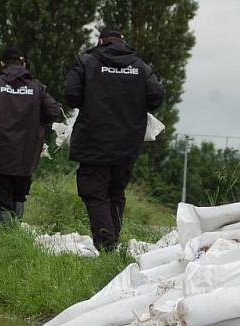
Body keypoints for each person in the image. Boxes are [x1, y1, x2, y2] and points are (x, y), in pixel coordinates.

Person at [64, 27, 165, 251]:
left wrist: (91, 99)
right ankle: (112, 243)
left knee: (94, 192)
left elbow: (71, 94)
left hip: (93, 140)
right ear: (122, 41)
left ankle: (107, 245)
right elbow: (156, 96)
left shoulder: (87, 61)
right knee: (116, 192)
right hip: (127, 143)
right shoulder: (140, 66)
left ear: (101, 41)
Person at [0, 47, 61, 225]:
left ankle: (8, 240)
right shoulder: (37, 88)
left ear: (2, 63)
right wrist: (35, 122)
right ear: (24, 64)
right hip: (26, 155)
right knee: (19, 195)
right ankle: (14, 238)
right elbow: (54, 110)